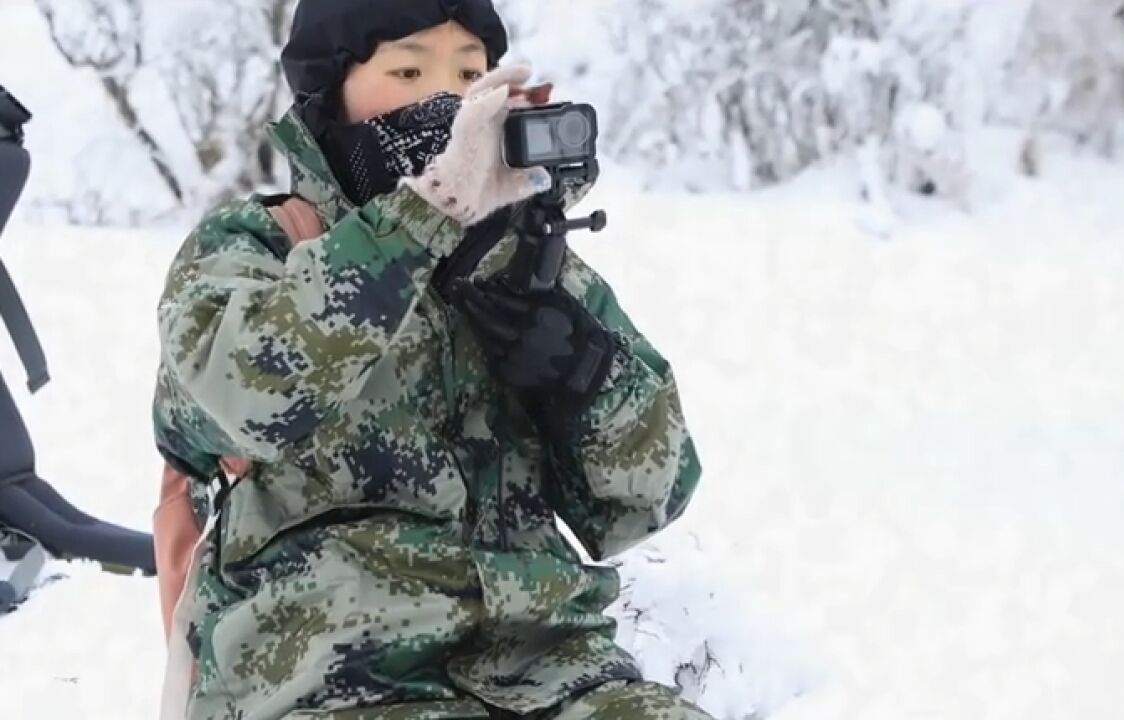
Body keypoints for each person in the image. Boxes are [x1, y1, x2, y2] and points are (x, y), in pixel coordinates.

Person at [151, 1, 709, 718]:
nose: (445, 98)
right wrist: (423, 217)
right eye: (408, 68)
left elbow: (647, 499)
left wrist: (582, 372)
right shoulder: (259, 248)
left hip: (551, 668)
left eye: (470, 71)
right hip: (326, 678)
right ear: (331, 92)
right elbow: (241, 398)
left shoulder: (528, 261)